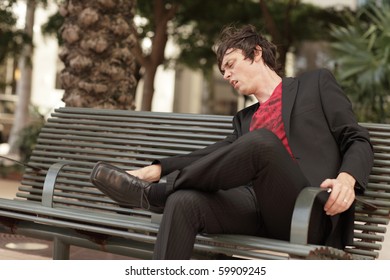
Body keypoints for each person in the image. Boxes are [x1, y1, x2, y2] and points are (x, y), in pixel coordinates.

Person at [90, 24, 374, 259]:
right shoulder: (244, 119)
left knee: (262, 142)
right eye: (223, 71)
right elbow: (213, 153)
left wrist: (346, 180)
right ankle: (165, 196)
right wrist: (156, 169)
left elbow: (356, 137)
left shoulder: (315, 84)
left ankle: (155, 195)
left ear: (256, 53)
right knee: (183, 201)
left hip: (308, 210)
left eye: (230, 64)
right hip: (254, 210)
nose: (226, 75)